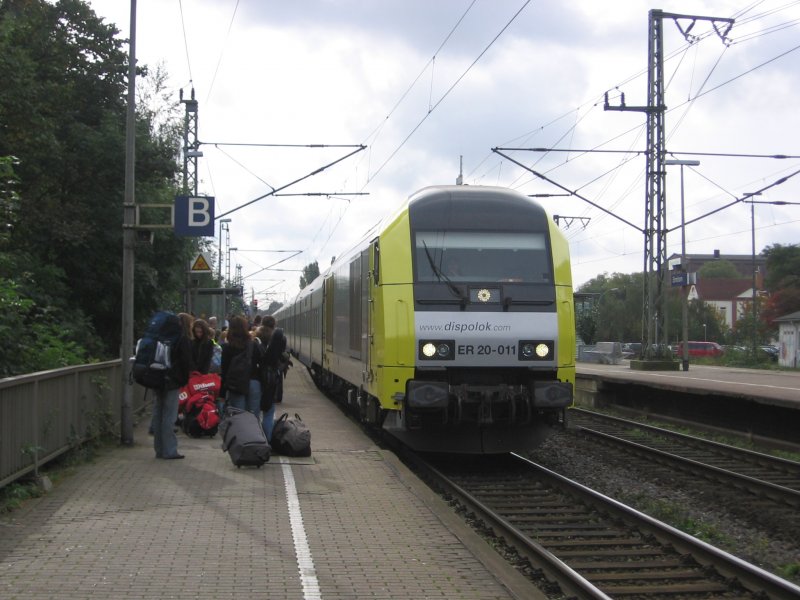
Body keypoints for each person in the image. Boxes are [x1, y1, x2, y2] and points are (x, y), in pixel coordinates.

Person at [152, 312, 193, 459]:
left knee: (158, 414)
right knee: (170, 415)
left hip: (156, 378)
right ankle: (169, 450)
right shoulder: (181, 338)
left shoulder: (159, 337)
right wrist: (183, 380)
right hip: (172, 381)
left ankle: (159, 449)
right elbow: (186, 361)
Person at [220, 315, 261, 416]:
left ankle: (241, 432)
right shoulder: (253, 345)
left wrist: (222, 393)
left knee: (239, 416)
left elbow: (224, 371)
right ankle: (254, 432)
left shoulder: (226, 347)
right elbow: (261, 363)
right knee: (253, 417)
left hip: (236, 385)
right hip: (253, 382)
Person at [257, 315, 287, 442]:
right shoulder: (279, 338)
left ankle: (255, 440)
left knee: (255, 412)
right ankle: (267, 441)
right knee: (269, 412)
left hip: (256, 379)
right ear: (274, 325)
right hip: (271, 380)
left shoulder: (256, 337)